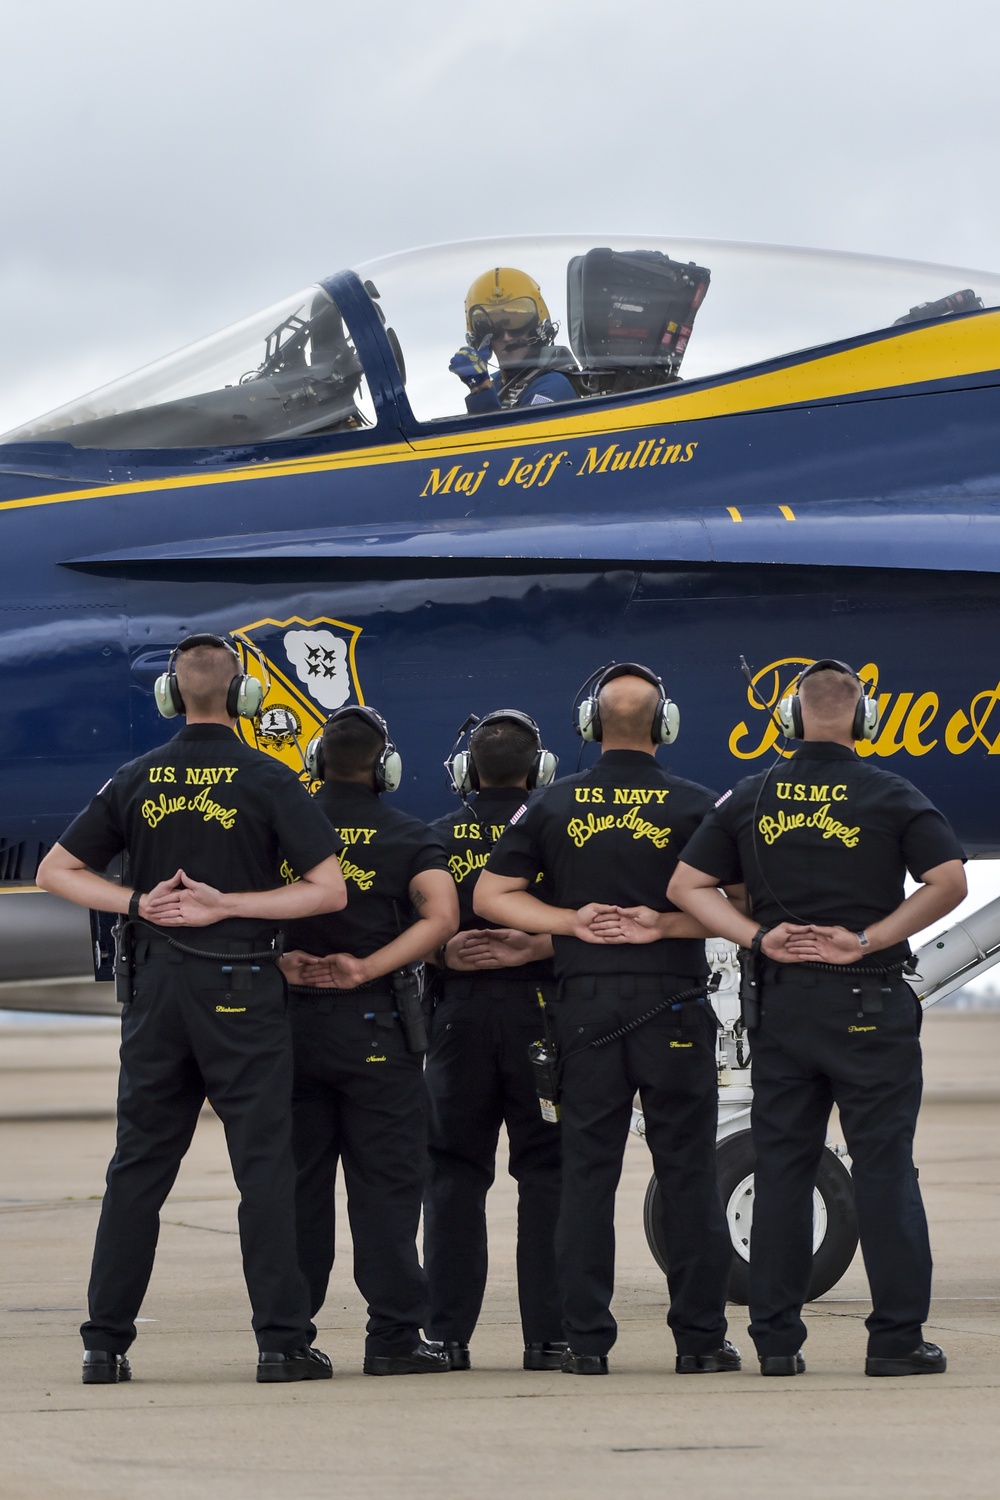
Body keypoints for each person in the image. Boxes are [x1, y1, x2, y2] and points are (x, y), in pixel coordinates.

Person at [35, 633, 347, 1386]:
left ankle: (104, 1346)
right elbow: (328, 891)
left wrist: (138, 902)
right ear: (245, 697)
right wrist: (228, 905)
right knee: (264, 1167)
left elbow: (56, 871)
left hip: (154, 990)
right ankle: (281, 1344)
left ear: (171, 696)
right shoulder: (270, 778)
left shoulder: (135, 777)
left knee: (138, 1166)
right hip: (240, 985)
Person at [667, 658, 967, 1377]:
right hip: (869, 1003)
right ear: (864, 720)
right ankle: (896, 1342)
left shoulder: (750, 794)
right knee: (885, 1169)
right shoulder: (892, 793)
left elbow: (686, 885)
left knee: (783, 1168)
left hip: (783, 1006)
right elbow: (949, 881)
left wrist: (758, 938)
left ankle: (776, 1343)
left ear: (790, 720)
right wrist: (868, 938)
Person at [474, 664, 738, 1376]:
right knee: (687, 1174)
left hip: (586, 1007)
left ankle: (586, 1343)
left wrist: (571, 921)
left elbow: (492, 896)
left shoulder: (551, 803)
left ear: (591, 725)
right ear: (664, 725)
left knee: (587, 1176)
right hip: (672, 1003)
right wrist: (665, 923)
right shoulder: (697, 806)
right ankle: (700, 1342)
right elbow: (741, 907)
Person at [279, 706, 459, 1376]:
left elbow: (232, 908)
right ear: (386, 769)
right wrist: (368, 967)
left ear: (316, 763)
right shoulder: (408, 835)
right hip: (376, 1030)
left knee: (297, 1188)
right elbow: (442, 917)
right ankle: (393, 1339)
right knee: (387, 1187)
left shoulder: (280, 829)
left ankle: (286, 1338)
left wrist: (277, 962)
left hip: (290, 1029)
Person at [423, 710, 565, 1372]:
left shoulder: (432, 838)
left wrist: (444, 953)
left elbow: (399, 927)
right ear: (540, 770)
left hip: (458, 1022)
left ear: (466, 772)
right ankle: (550, 1338)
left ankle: (446, 1337)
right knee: (549, 1174)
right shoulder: (558, 832)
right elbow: (592, 920)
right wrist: (535, 944)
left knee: (453, 1174)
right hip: (543, 1019)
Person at [449, 267, 579, 413]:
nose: (507, 337)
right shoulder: (497, 384)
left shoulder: (553, 386)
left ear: (536, 328)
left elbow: (522, 428)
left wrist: (481, 388)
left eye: (517, 323)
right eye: (492, 328)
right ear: (479, 337)